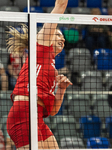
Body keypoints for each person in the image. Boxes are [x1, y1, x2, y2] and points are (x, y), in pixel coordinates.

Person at [6, 0, 72, 149]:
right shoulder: (41, 47)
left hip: (37, 117)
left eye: (63, 37)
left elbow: (53, 111)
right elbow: (60, 5)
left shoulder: (52, 70)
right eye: (57, 35)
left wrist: (61, 89)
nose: (62, 39)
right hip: (24, 112)